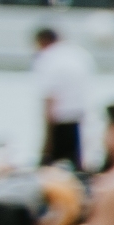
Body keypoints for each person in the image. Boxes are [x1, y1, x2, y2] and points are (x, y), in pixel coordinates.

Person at [28, 24, 95, 171]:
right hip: (79, 118)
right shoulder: (78, 54)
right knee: (76, 167)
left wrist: (46, 142)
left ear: (43, 41)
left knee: (49, 169)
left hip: (59, 121)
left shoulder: (48, 58)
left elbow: (50, 97)